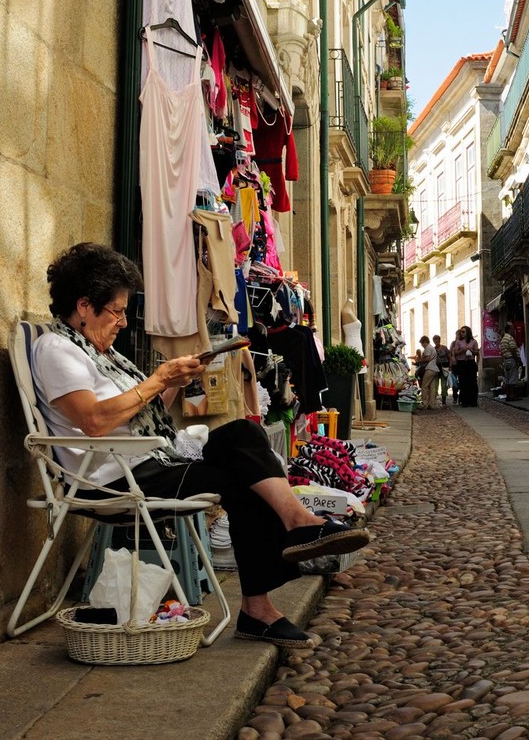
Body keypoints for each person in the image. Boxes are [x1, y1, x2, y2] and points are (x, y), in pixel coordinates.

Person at [31, 243, 370, 649]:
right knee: (244, 473)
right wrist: (157, 379)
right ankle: (265, 594)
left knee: (244, 435)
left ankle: (291, 540)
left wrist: (172, 383)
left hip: (149, 457)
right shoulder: (57, 349)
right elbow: (93, 420)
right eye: (116, 311)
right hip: (115, 477)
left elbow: (141, 412)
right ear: (84, 306)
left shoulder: (100, 353)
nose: (122, 322)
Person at [451, 326, 480, 407]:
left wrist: (471, 350)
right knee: (463, 382)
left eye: (463, 332)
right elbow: (455, 352)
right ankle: (464, 401)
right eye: (461, 332)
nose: (462, 333)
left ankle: (473, 400)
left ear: (468, 332)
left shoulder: (473, 341)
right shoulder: (458, 342)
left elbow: (477, 352)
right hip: (462, 363)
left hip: (470, 362)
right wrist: (462, 350)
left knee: (472, 382)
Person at [416, 335, 440, 409]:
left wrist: (419, 360)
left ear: (425, 342)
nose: (422, 345)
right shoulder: (431, 348)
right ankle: (432, 404)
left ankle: (424, 403)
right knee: (432, 387)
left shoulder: (428, 348)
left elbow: (428, 358)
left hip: (430, 368)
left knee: (424, 386)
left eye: (422, 343)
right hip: (434, 369)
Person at [432, 335, 452, 406]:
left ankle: (444, 401)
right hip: (436, 369)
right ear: (433, 341)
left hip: (444, 368)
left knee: (444, 385)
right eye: (435, 340)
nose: (437, 341)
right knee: (435, 385)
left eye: (438, 339)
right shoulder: (433, 349)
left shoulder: (444, 348)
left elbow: (449, 357)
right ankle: (433, 400)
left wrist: (450, 366)